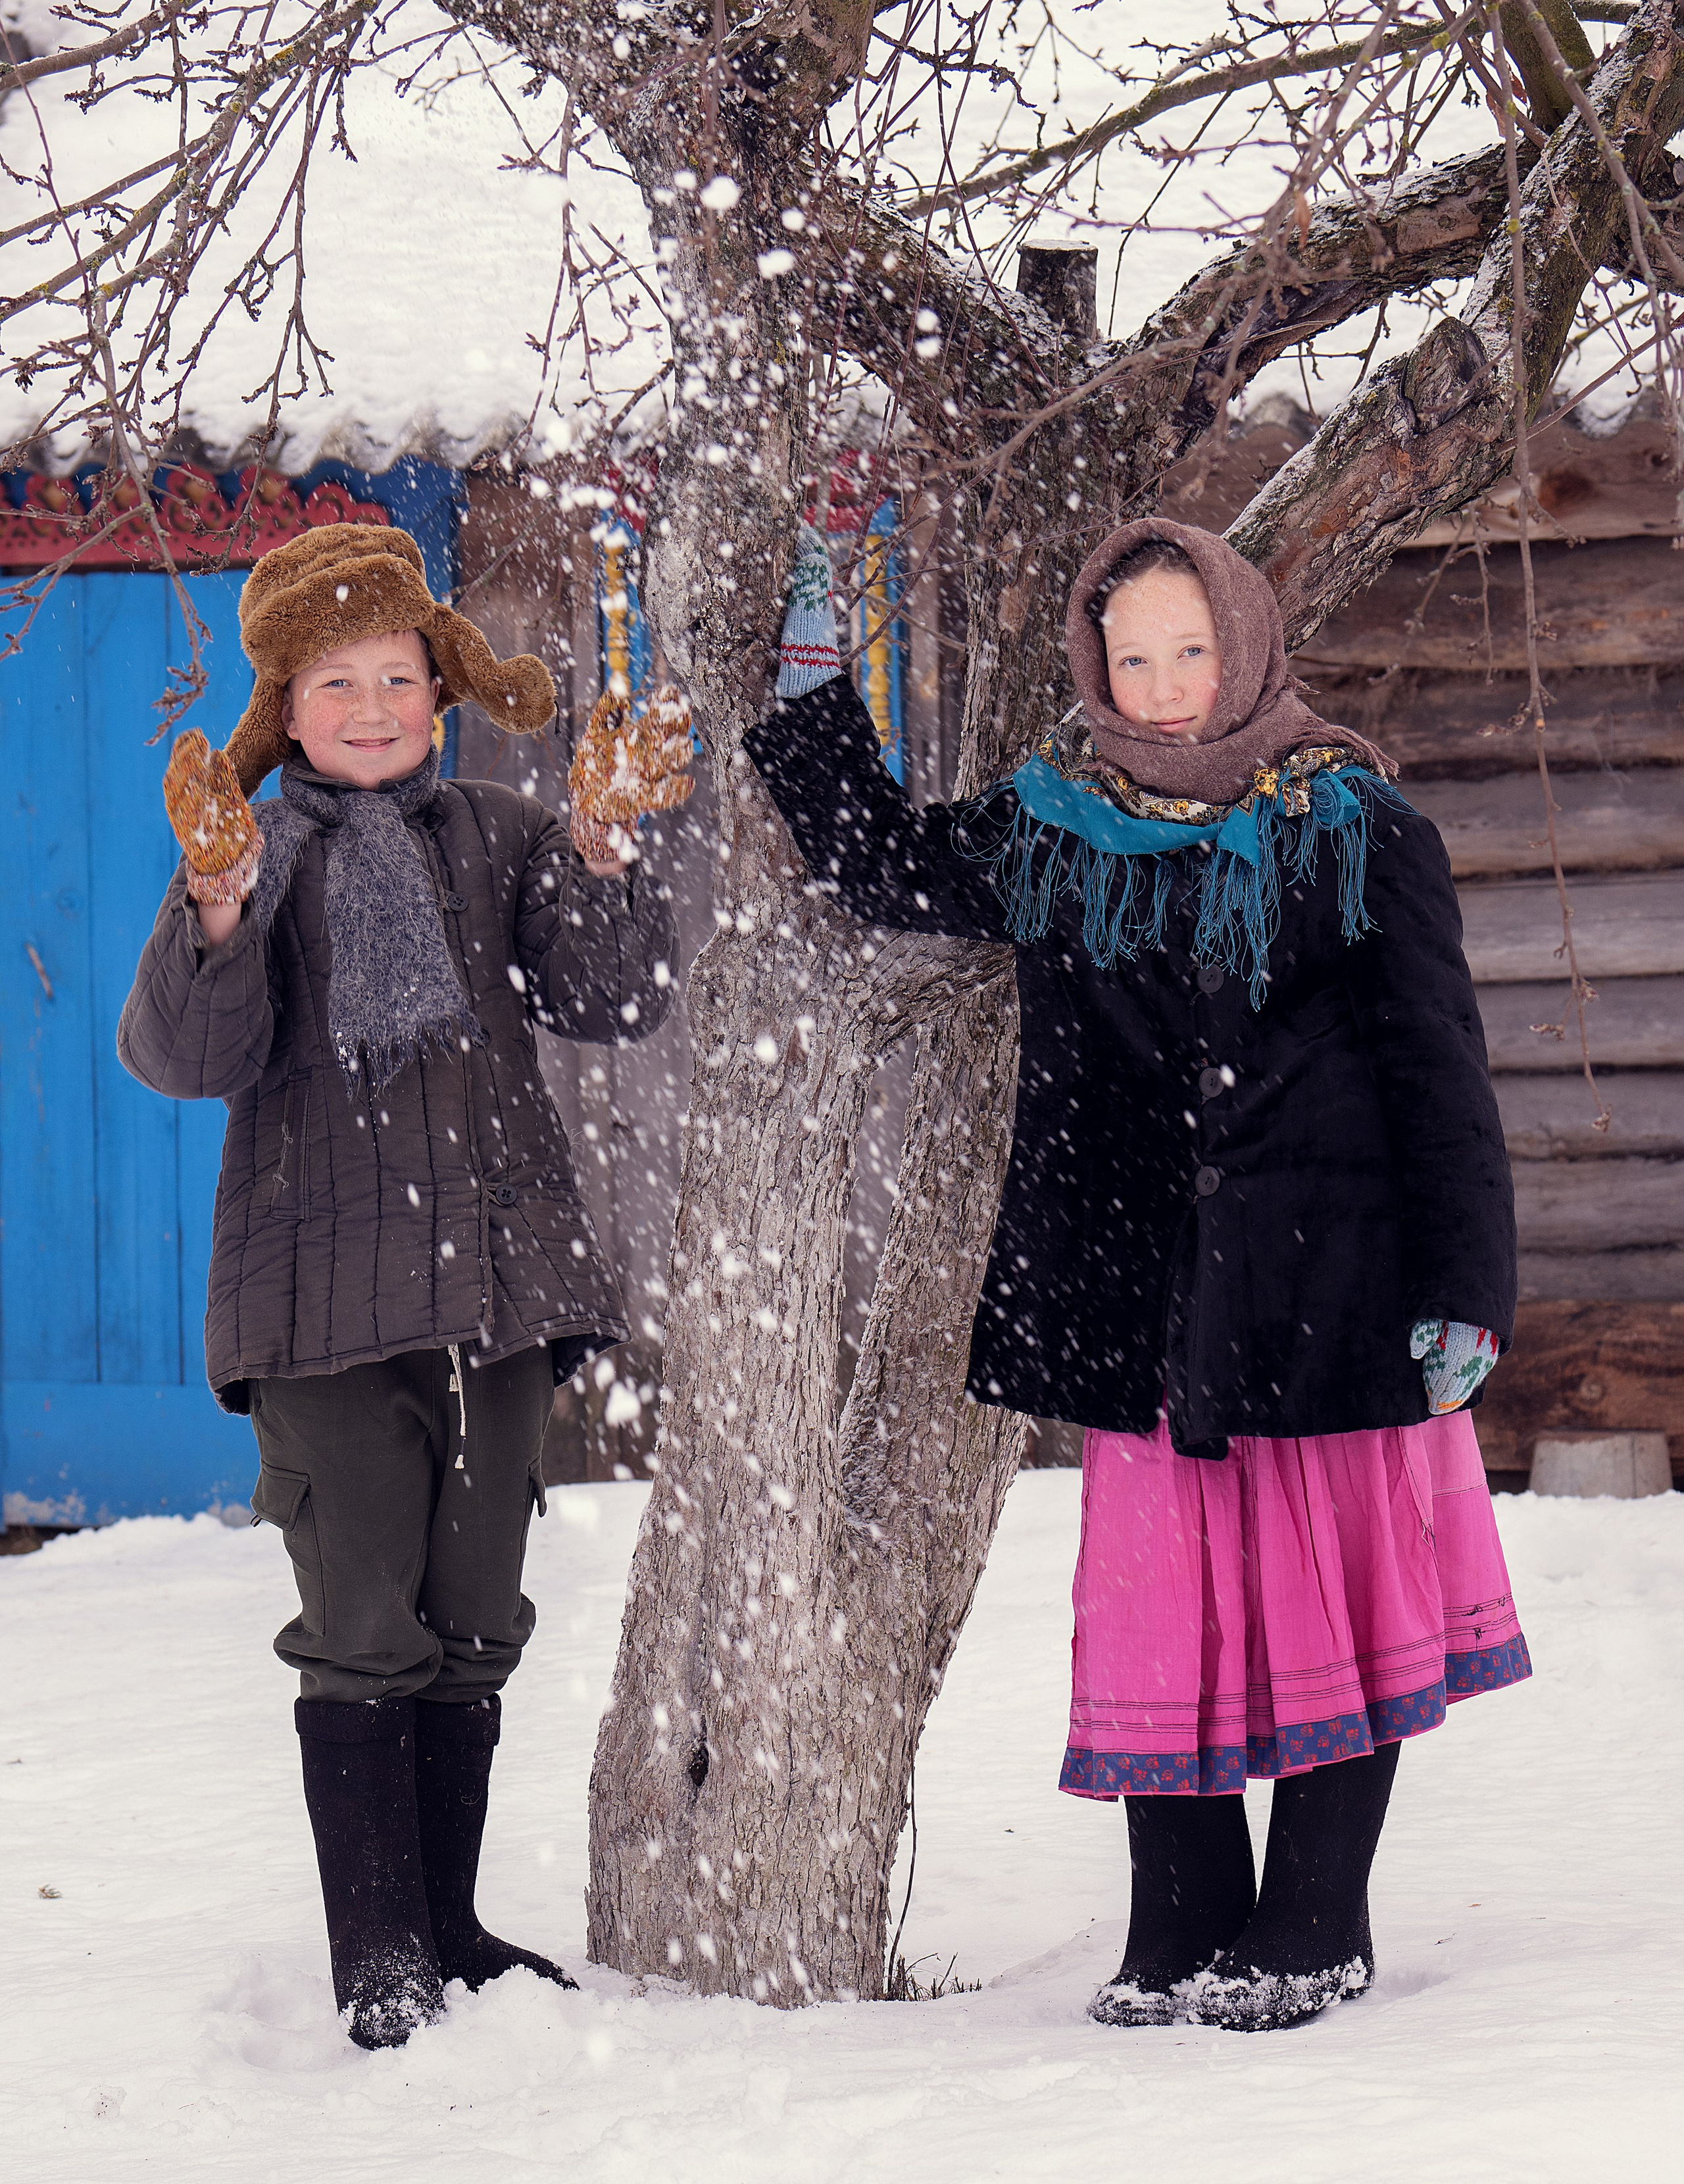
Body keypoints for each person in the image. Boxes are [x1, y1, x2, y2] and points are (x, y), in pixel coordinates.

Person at [747, 514, 1529, 2033]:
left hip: (1331, 1285)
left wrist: (1465, 1287)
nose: (1163, 686)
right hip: (1142, 1292)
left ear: (1243, 644)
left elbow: (1438, 1066)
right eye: (1131, 658)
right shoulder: (1057, 828)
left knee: (1324, 1595)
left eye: (1189, 650)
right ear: (1093, 668)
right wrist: (811, 690)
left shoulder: (1354, 824)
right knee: (1164, 1599)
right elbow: (884, 869)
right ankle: (1179, 1912)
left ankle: (1315, 1917)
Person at [118, 522, 690, 2048]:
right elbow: (184, 1054)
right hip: (316, 1307)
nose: (370, 707)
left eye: (395, 675)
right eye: (334, 682)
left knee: (475, 1612)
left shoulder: (501, 833)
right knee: (364, 1619)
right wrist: (215, 901)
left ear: (441, 686)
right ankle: (377, 1950)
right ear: (284, 709)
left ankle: (450, 1925)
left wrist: (601, 848)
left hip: (493, 1290)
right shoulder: (253, 853)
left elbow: (612, 996)